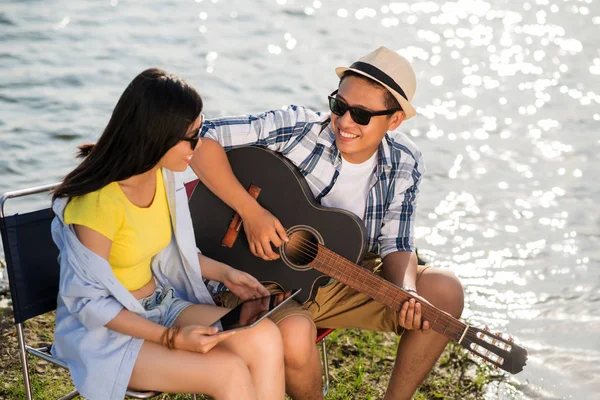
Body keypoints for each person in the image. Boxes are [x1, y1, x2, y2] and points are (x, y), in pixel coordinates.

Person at [190, 46, 465, 400]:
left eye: (362, 115)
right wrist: (250, 211)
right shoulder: (298, 127)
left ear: (394, 121)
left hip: (341, 275)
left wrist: (407, 292)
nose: (345, 122)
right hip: (258, 280)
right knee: (295, 332)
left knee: (444, 291)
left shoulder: (404, 160)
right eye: (339, 106)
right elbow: (198, 141)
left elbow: (397, 243)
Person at [50, 68, 285, 400]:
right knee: (228, 371)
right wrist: (170, 338)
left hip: (161, 304)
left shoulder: (162, 176)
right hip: (107, 332)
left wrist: (227, 273)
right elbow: (89, 303)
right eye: (191, 136)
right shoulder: (97, 204)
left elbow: (167, 254)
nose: (198, 145)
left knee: (264, 336)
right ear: (157, 135)